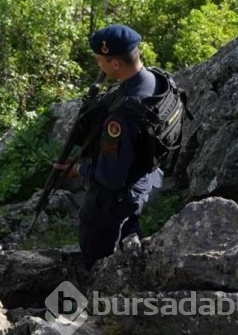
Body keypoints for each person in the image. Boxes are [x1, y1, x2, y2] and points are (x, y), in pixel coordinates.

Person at [60, 24, 164, 269]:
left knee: (97, 257)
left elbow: (111, 177)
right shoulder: (157, 80)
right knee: (129, 235)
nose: (98, 65)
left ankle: (94, 300)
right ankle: (131, 276)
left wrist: (79, 170)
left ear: (115, 64)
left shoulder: (121, 117)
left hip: (118, 196)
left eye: (99, 60)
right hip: (145, 179)